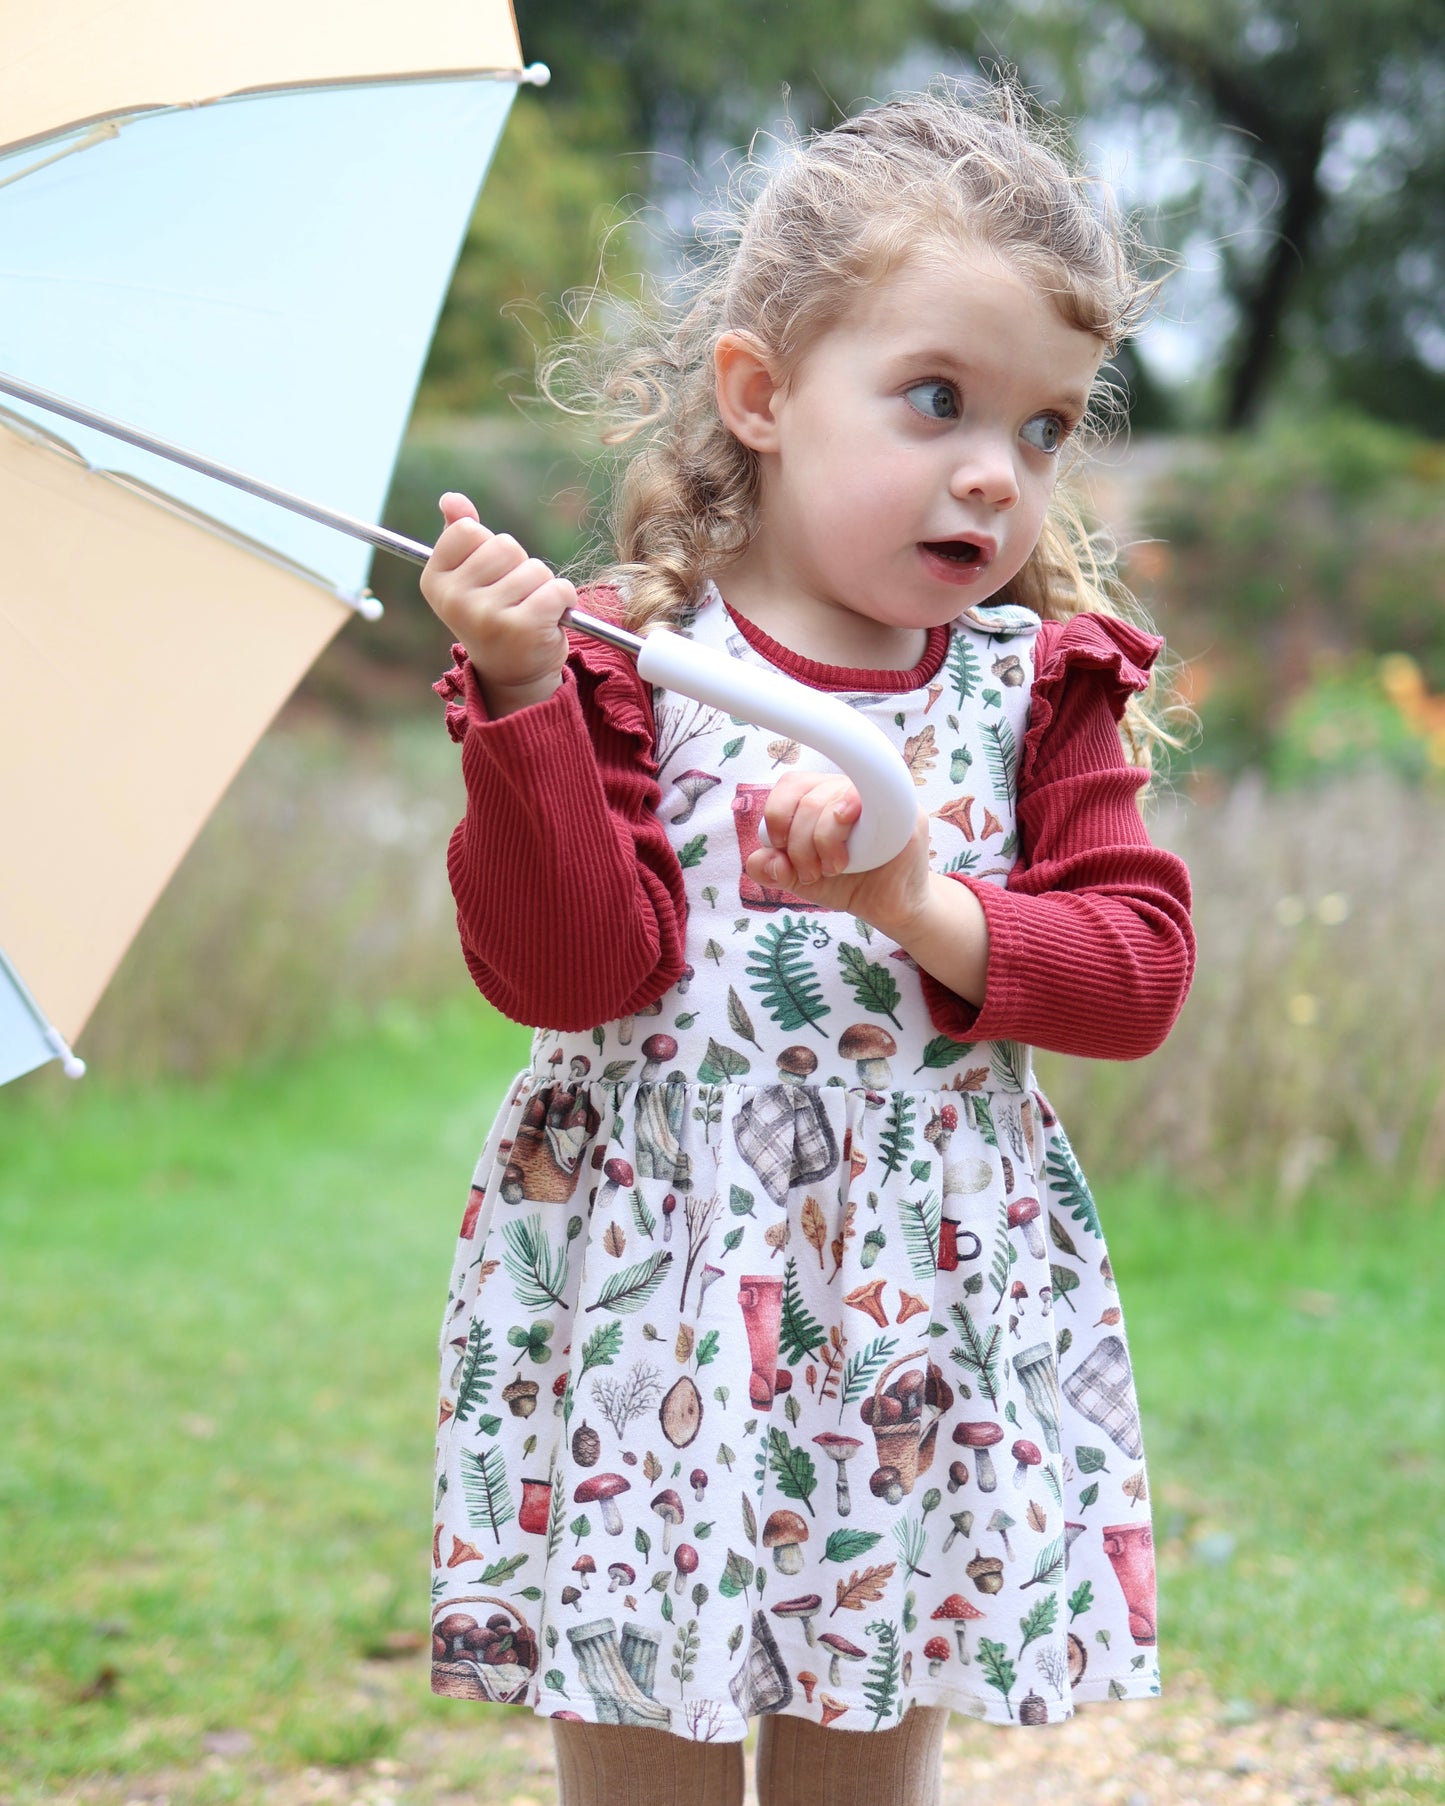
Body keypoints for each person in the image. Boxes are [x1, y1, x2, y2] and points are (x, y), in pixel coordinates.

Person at [419, 76, 1196, 1806]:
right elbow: (567, 974)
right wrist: (532, 701)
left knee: (861, 1756)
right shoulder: (627, 659)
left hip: (906, 1295)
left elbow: (1136, 970)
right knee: (649, 1756)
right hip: (653, 1290)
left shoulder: (1032, 686)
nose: (996, 472)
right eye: (937, 400)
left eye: (1048, 426)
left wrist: (921, 904)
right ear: (761, 395)